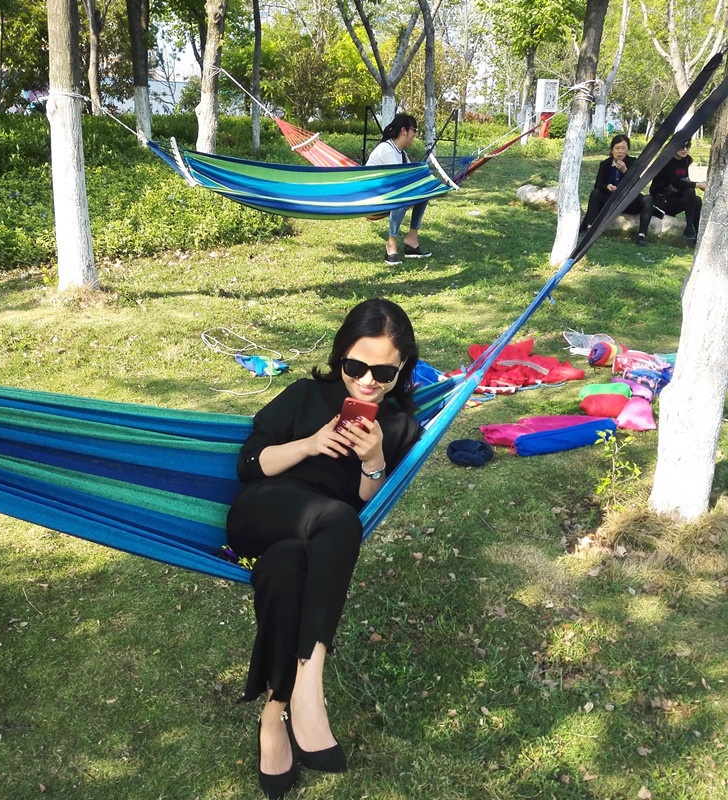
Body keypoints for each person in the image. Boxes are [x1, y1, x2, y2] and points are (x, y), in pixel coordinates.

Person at [226, 298, 422, 799]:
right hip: (261, 512)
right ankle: (309, 685)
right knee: (336, 517)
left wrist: (374, 460)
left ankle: (275, 713)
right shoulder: (304, 395)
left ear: (402, 369)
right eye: (356, 367)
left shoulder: (399, 427)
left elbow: (370, 502)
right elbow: (249, 464)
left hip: (314, 544)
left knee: (286, 569)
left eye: (384, 373)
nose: (368, 381)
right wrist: (310, 444)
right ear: (340, 357)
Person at [366, 113, 432, 265]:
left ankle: (411, 240)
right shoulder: (387, 150)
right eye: (414, 130)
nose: (415, 134)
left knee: (425, 191)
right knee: (403, 193)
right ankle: (391, 242)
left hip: (387, 194)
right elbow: (401, 182)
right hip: (372, 200)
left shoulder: (400, 152)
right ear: (404, 130)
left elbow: (411, 176)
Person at [637, 140, 706, 246]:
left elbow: (684, 181)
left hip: (675, 197)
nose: (685, 150)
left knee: (696, 200)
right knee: (691, 190)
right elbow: (676, 182)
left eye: (687, 146)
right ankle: (689, 229)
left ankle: (697, 234)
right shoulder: (666, 162)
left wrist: (694, 184)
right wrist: (698, 184)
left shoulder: (686, 160)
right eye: (681, 147)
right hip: (661, 200)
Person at [579, 134, 647, 236]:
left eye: (623, 148)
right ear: (612, 150)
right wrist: (607, 186)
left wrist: (625, 171)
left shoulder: (632, 162)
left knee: (647, 199)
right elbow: (598, 184)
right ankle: (590, 228)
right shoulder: (605, 164)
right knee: (595, 193)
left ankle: (641, 235)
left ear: (627, 149)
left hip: (627, 200)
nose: (620, 151)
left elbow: (637, 184)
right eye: (617, 148)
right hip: (610, 199)